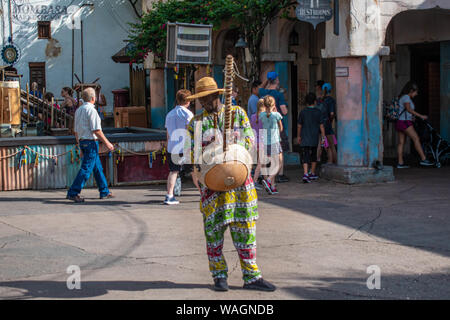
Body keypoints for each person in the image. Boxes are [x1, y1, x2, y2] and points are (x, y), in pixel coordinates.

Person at [186, 76, 276, 292]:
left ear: (218, 95)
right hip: (212, 186)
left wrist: (232, 142)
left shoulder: (238, 114)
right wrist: (209, 150)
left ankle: (252, 276)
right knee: (214, 234)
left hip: (240, 183)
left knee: (246, 231)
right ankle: (219, 277)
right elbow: (193, 153)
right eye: (202, 99)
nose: (206, 102)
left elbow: (249, 140)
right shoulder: (196, 123)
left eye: (209, 98)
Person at [66, 88, 115, 203]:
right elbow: (96, 130)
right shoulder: (92, 111)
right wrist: (107, 143)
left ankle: (104, 191)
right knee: (86, 169)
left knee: (97, 167)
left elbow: (76, 131)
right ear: (93, 98)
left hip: (83, 141)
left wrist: (79, 146)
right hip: (91, 142)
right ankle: (73, 192)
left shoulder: (79, 110)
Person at [164, 89, 199, 205]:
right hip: (185, 147)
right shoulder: (188, 114)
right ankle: (203, 193)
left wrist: (167, 145)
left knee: (173, 171)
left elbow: (168, 133)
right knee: (194, 171)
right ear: (188, 101)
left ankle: (169, 195)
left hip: (172, 147)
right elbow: (191, 131)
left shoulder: (169, 114)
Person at [259, 71, 289, 183]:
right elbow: (284, 112)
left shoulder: (262, 92)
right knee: (279, 152)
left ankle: (265, 174)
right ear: (277, 80)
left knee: (266, 151)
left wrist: (267, 80)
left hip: (264, 126)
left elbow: (260, 87)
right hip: (276, 127)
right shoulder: (278, 95)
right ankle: (279, 174)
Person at [396, 82, 434, 168]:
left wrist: (412, 117)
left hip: (400, 122)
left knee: (401, 143)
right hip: (405, 122)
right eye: (415, 92)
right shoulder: (406, 97)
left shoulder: (402, 97)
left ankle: (400, 163)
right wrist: (421, 116)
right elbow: (408, 109)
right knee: (416, 138)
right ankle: (424, 159)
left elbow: (405, 111)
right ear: (411, 90)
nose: (416, 94)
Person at [297, 93, 326, 183]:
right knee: (314, 154)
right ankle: (312, 172)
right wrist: (323, 137)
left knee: (305, 154)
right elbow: (321, 126)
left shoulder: (303, 112)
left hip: (305, 136)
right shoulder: (318, 112)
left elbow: (299, 126)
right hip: (314, 136)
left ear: (306, 102)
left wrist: (298, 136)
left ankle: (305, 174)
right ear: (315, 101)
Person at [259, 95, 283, 195]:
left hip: (266, 142)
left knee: (271, 164)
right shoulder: (276, 115)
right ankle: (269, 180)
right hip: (275, 141)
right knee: (278, 164)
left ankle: (272, 187)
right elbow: (281, 128)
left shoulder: (262, 115)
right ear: (273, 105)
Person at [250, 98, 265, 190]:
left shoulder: (252, 116)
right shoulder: (265, 117)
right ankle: (255, 181)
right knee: (260, 163)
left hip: (254, 142)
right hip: (263, 142)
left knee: (253, 163)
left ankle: (252, 179)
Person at [320, 83, 337, 164]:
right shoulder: (331, 100)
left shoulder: (321, 100)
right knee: (332, 145)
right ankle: (335, 161)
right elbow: (332, 113)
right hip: (327, 124)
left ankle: (329, 160)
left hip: (320, 124)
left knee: (324, 145)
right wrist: (331, 120)